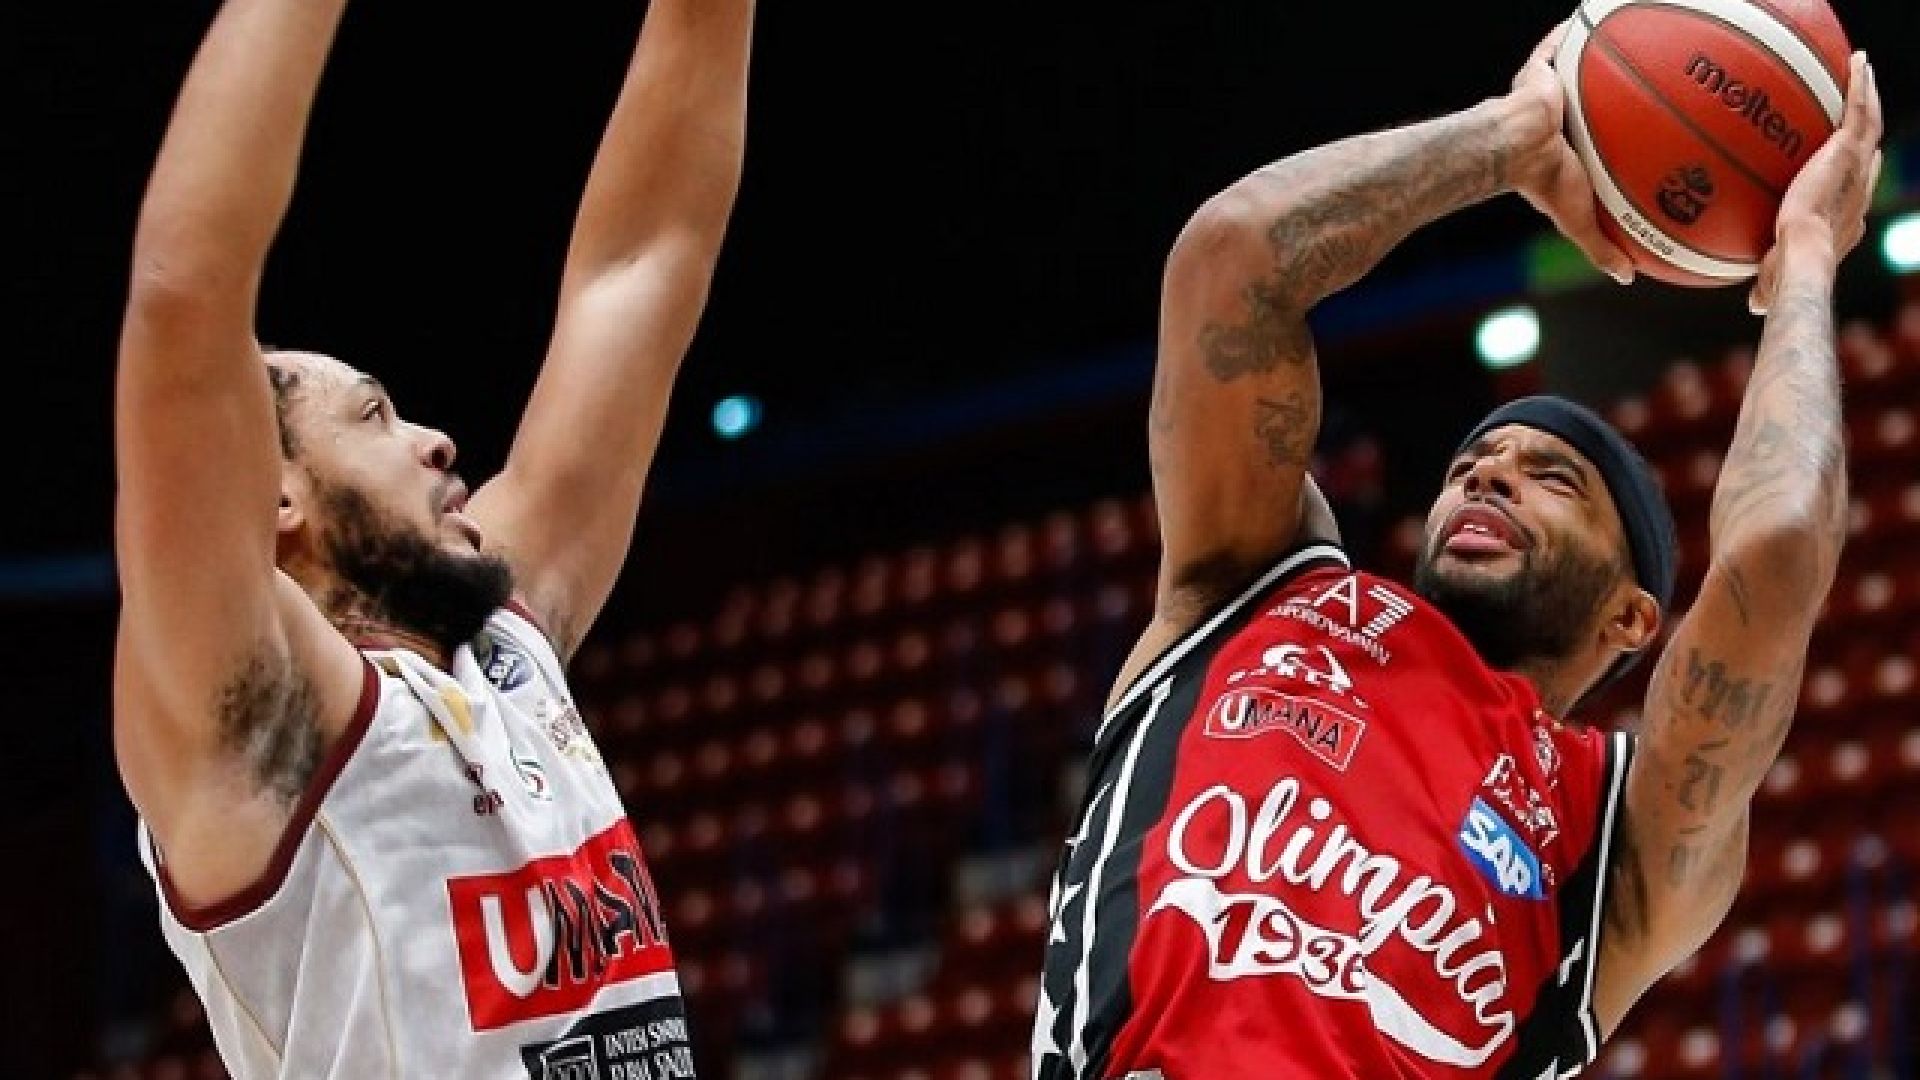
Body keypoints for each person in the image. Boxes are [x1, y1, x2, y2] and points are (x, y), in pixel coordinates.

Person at [1032, 24, 1881, 1080]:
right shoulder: (1259, 586)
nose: (1489, 476)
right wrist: (1513, 137)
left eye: (1554, 479)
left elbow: (1783, 545)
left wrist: (1805, 257)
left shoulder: (1609, 830)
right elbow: (1232, 260)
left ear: (1631, 615)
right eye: (1472, 464)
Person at [112, 0, 752, 1074]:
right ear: (272, 500)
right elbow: (186, 300)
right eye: (374, 416)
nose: (438, 441)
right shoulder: (257, 719)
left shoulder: (501, 645)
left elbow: (641, 263)